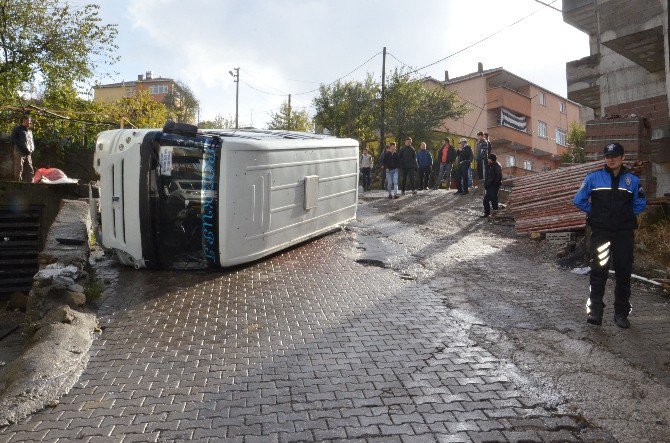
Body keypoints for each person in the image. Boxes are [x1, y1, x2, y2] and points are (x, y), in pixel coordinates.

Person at [573, 142, 646, 329]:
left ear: (623, 158)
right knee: (599, 272)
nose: (610, 159)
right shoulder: (593, 178)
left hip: (623, 234)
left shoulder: (632, 181)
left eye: (614, 156)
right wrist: (595, 213)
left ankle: (621, 314)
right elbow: (578, 199)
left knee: (623, 273)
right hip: (602, 234)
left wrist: (628, 216)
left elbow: (640, 203)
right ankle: (595, 313)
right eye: (607, 156)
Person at [10, 115, 35, 182]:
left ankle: (31, 183)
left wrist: (32, 149)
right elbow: (12, 139)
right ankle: (18, 183)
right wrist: (23, 146)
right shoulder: (17, 129)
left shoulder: (30, 132)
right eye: (29, 121)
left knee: (30, 168)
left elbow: (31, 141)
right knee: (19, 167)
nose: (30, 122)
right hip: (19, 151)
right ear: (24, 120)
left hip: (28, 152)